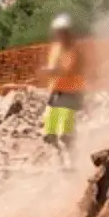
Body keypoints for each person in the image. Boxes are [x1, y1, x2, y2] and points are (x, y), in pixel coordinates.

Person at [39, 14, 85, 164]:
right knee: (49, 132)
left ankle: (72, 160)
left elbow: (65, 69)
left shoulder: (73, 50)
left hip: (71, 93)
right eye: (59, 32)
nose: (61, 35)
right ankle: (59, 161)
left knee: (65, 133)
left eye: (63, 32)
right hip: (56, 92)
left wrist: (49, 71)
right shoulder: (56, 48)